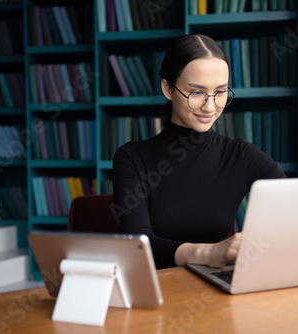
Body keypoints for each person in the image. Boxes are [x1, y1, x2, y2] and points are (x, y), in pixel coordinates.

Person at [112, 34, 286, 269]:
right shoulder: (132, 158)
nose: (210, 107)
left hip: (221, 292)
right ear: (168, 88)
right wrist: (208, 253)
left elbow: (296, 211)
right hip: (159, 289)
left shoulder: (241, 155)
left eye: (221, 92)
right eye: (196, 92)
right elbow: (137, 244)